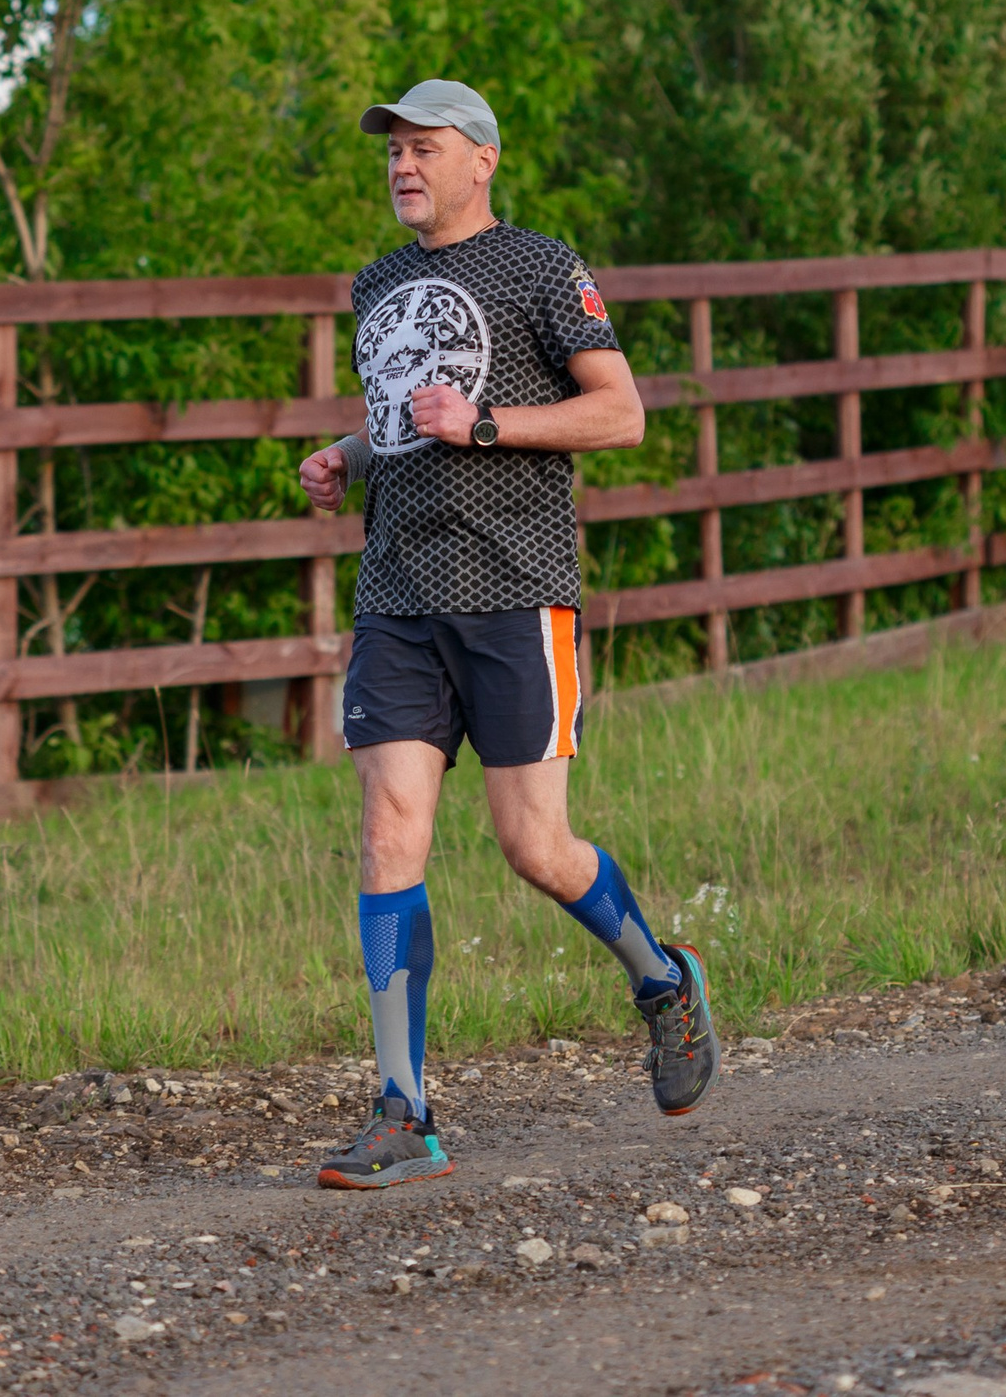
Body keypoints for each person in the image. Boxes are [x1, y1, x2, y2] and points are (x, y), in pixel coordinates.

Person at [299, 78, 721, 1190]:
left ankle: (662, 979)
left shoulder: (542, 267)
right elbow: (408, 420)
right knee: (389, 833)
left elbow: (621, 413)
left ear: (480, 159)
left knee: (534, 846)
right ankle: (403, 1111)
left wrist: (483, 423)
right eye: (393, 152)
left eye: (423, 149)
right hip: (397, 596)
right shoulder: (377, 284)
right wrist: (350, 453)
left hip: (515, 591)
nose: (402, 167)